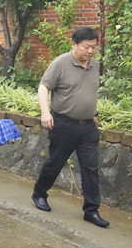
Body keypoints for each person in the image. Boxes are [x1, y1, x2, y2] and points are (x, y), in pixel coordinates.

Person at [32, 27, 109, 228]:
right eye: (86, 47)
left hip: (88, 128)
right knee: (55, 163)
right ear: (74, 44)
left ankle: (91, 211)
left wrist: (94, 113)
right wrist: (45, 113)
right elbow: (43, 87)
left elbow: (90, 91)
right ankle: (39, 193)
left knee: (91, 169)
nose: (91, 51)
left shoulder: (95, 65)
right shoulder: (61, 63)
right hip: (63, 124)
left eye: (94, 47)